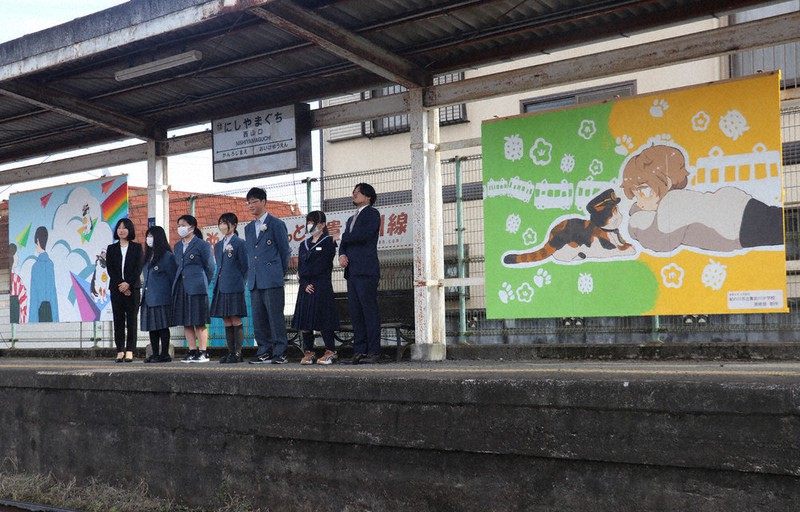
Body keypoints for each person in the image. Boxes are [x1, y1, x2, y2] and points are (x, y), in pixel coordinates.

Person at [620, 144, 784, 253]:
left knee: (781, 226)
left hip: (737, 222)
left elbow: (661, 241)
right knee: (781, 222)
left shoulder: (672, 202)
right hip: (737, 211)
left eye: (643, 191)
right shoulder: (676, 201)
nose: (639, 201)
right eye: (635, 195)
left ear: (667, 182)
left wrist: (636, 221)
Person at [244, 187, 291, 365]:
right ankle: (264, 350)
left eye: (254, 202)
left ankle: (280, 351)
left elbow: (284, 252)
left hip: (272, 279)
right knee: (258, 318)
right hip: (255, 280)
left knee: (275, 317)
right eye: (249, 202)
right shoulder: (248, 228)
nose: (251, 205)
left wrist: (278, 273)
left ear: (264, 202)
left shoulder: (276, 224)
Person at [338, 183, 381, 364]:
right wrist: (341, 254)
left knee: (368, 311)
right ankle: (359, 350)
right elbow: (344, 243)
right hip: (352, 271)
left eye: (358, 192)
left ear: (368, 196)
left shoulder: (372, 214)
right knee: (356, 313)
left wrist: (342, 237)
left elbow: (363, 235)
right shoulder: (350, 219)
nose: (354, 194)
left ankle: (373, 351)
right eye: (354, 192)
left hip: (366, 270)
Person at [292, 211, 340, 365]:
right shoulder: (303, 244)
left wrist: (309, 277)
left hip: (321, 286)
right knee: (306, 321)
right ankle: (309, 351)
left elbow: (323, 264)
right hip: (306, 287)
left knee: (324, 319)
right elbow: (301, 267)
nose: (310, 226)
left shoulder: (328, 242)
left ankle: (330, 351)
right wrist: (305, 283)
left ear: (323, 225)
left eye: (313, 223)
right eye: (309, 222)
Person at [173, 214, 215, 363]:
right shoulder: (177, 246)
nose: (180, 228)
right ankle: (192, 350)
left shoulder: (202, 245)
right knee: (186, 321)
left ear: (192, 227)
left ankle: (203, 351)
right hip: (182, 286)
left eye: (183, 225)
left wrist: (202, 282)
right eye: (179, 225)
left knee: (199, 321)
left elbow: (210, 267)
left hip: (197, 287)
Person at [211, 212, 249, 363]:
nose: (222, 226)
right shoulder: (218, 245)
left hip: (235, 286)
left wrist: (241, 283)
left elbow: (245, 267)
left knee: (235, 319)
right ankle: (231, 352)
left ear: (234, 225)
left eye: (225, 223)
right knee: (226, 319)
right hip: (221, 285)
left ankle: (238, 353)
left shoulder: (240, 243)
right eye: (221, 223)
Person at [106, 218, 144, 363]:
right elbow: (111, 269)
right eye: (119, 228)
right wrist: (121, 285)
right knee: (118, 320)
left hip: (133, 289)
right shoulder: (111, 248)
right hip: (116, 289)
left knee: (132, 320)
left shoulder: (137, 248)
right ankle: (120, 350)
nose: (121, 230)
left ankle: (130, 350)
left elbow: (138, 268)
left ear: (130, 230)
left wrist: (128, 284)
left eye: (124, 228)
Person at [141, 226, 178, 363]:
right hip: (148, 297)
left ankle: (165, 354)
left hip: (162, 297)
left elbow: (173, 277)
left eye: (151, 236)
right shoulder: (148, 256)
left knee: (162, 327)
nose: (149, 239)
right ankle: (155, 353)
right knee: (152, 328)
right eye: (147, 236)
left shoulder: (167, 257)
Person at [29, 226, 59, 323]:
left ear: (37, 241)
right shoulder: (50, 264)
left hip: (38, 311)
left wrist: (31, 321)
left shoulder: (35, 267)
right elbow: (53, 292)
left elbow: (34, 297)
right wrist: (56, 319)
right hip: (50, 309)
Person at [9, 243, 29, 324]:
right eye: (16, 255)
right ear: (12, 257)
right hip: (16, 319)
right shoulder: (16, 279)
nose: (18, 257)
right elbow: (23, 301)